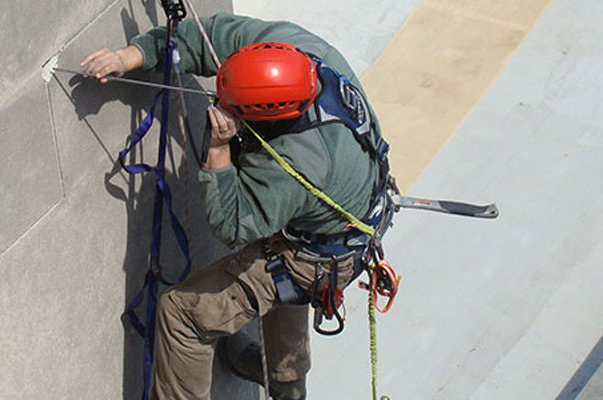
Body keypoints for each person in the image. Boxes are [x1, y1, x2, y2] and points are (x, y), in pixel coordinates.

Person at [81, 12, 391, 400]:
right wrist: (133, 55)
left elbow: (232, 223)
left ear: (270, 117)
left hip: (319, 253)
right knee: (283, 264)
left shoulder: (294, 164)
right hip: (340, 217)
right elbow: (211, 35)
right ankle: (285, 383)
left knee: (184, 314)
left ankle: (283, 382)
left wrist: (219, 149)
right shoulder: (302, 51)